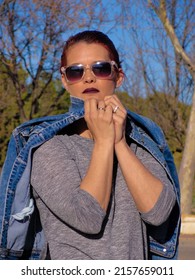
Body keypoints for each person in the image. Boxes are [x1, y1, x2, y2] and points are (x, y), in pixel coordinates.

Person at [0, 30, 180, 260]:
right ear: (65, 81)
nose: (88, 78)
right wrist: (104, 142)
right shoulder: (50, 147)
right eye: (76, 71)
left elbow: (159, 213)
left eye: (100, 68)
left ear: (119, 75)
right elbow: (88, 217)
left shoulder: (141, 146)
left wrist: (120, 144)